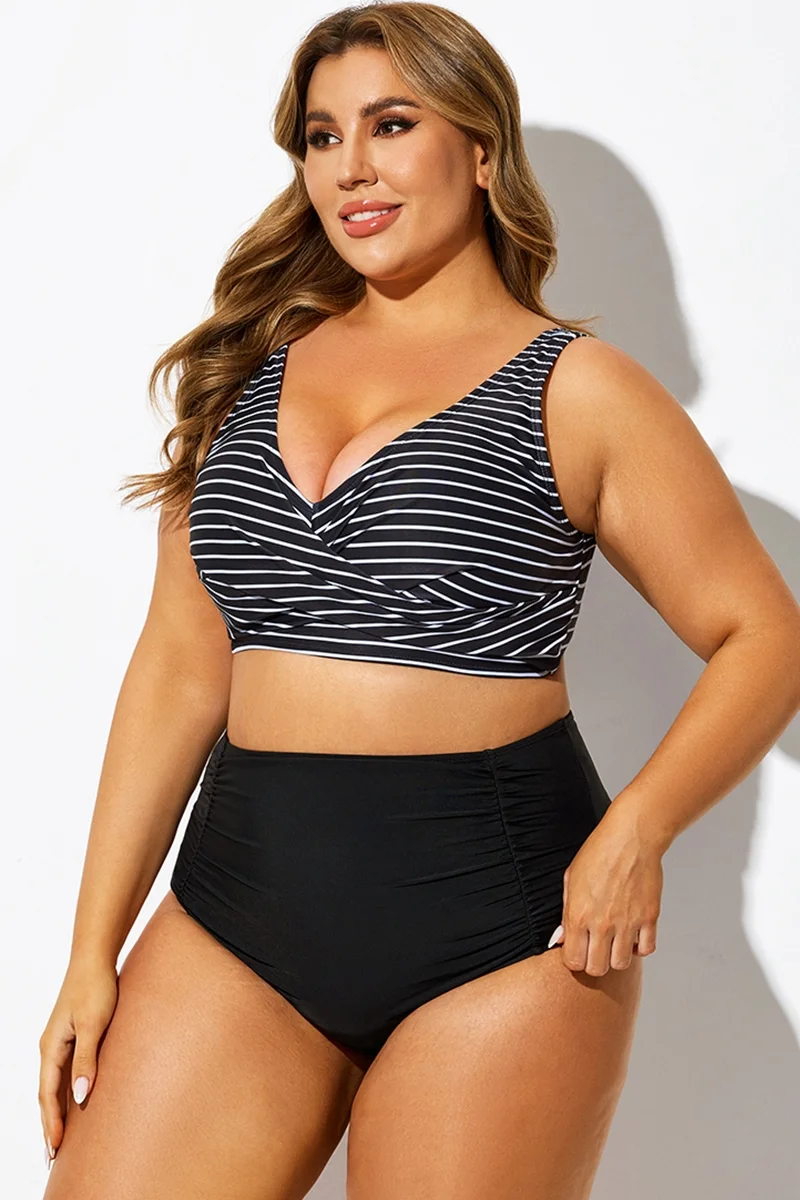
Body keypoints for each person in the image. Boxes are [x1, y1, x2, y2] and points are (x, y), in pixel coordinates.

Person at [38, 4, 800, 1198]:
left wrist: (635, 830)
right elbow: (180, 669)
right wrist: (91, 951)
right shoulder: (242, 376)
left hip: (504, 930)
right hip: (238, 906)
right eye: (321, 135)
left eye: (391, 125)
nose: (351, 166)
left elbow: (761, 634)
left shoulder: (577, 389)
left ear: (480, 151)